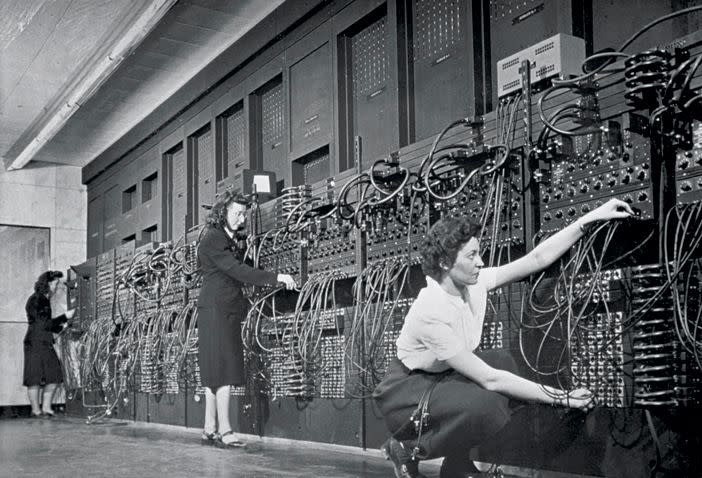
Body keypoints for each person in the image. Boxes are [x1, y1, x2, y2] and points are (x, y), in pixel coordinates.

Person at [373, 198, 634, 478]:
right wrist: (563, 397)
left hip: (439, 378)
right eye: (471, 256)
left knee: (501, 360)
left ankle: (457, 464)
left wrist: (591, 218)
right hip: (407, 391)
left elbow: (535, 260)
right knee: (484, 405)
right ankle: (404, 446)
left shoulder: (473, 284)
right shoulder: (431, 308)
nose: (480, 262)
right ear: (445, 262)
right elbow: (490, 379)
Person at [197, 189, 296, 447]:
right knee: (224, 369)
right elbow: (237, 270)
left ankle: (210, 427)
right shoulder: (214, 238)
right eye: (237, 213)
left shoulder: (225, 240)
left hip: (219, 308)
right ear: (222, 213)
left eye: (244, 213)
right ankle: (226, 431)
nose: (242, 218)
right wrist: (276, 278)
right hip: (219, 309)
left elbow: (245, 265)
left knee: (214, 370)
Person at [23, 270, 75, 418]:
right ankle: (36, 411)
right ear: (47, 283)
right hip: (35, 342)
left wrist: (60, 327)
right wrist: (65, 317)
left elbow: (46, 324)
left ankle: (46, 409)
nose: (57, 286)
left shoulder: (42, 299)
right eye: (55, 283)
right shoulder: (38, 300)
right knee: (34, 378)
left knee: (54, 375)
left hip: (43, 341)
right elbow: (44, 324)